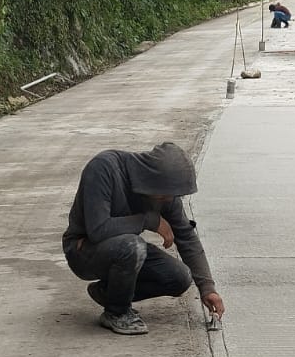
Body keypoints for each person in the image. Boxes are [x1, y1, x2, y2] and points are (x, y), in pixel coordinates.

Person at [62, 142, 224, 336]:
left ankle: (108, 293)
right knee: (133, 246)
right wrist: (149, 220)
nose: (169, 199)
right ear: (151, 179)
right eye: (166, 194)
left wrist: (208, 288)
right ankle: (117, 312)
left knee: (180, 277)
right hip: (83, 250)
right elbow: (98, 229)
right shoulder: (104, 168)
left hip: (124, 249)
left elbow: (187, 237)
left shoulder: (165, 194)